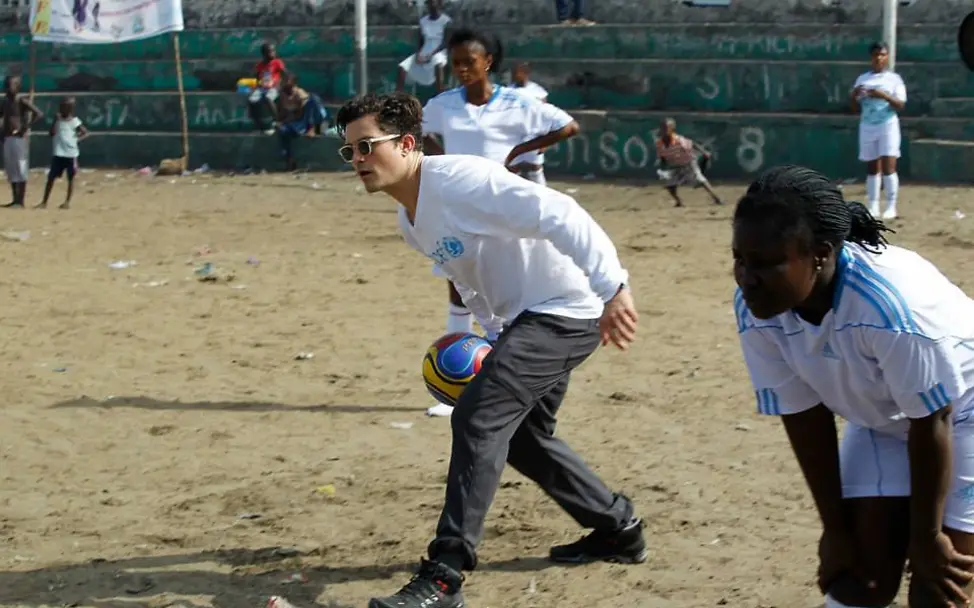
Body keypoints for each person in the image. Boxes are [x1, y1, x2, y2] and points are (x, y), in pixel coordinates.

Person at [335, 91, 646, 608]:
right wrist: (493, 338)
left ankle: (444, 575)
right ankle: (618, 528)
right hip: (525, 320)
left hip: (569, 307)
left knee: (477, 418)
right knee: (522, 437)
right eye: (350, 152)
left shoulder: (461, 181)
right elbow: (474, 280)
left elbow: (559, 211)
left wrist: (613, 287)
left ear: (408, 143)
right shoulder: (410, 221)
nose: (359, 161)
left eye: (367, 146)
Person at [732, 164, 974, 608]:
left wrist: (928, 536)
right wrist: (835, 529)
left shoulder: (889, 309)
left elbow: (933, 418)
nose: (747, 278)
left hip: (961, 414)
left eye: (766, 264)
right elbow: (804, 414)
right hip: (885, 416)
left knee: (938, 586)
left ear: (821, 253)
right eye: (740, 259)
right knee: (858, 580)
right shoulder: (759, 305)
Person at [422, 29, 581, 416]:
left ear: (487, 61)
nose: (461, 69)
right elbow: (421, 132)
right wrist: (444, 166)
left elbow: (568, 126)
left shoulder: (517, 102)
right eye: (455, 62)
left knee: (507, 293)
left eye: (468, 62)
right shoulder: (443, 105)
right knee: (459, 287)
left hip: (504, 212)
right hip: (458, 210)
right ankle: (460, 387)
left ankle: (510, 379)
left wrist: (518, 152)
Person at [851, 42, 905, 221]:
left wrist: (883, 95)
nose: (879, 58)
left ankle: (891, 205)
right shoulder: (862, 79)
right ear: (871, 57)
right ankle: (873, 204)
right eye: (876, 55)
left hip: (887, 124)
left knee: (889, 164)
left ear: (887, 57)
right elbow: (854, 107)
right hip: (867, 125)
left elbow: (900, 104)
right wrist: (854, 95)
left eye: (882, 55)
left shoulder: (894, 80)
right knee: (872, 166)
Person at [655, 118, 723, 207]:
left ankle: (717, 199)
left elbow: (692, 144)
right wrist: (663, 168)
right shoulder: (659, 143)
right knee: (670, 185)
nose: (664, 130)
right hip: (675, 165)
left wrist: (704, 152)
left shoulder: (678, 140)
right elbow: (662, 157)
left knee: (700, 180)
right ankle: (679, 202)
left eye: (666, 128)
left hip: (688, 163)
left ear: (672, 129)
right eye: (662, 127)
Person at [0, 75, 43, 209]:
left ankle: (21, 200)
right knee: (11, 169)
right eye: (6, 85)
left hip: (19, 138)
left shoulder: (21, 101)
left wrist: (25, 127)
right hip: (7, 137)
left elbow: (39, 113)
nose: (7, 88)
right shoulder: (4, 102)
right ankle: (14, 199)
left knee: (21, 168)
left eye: (11, 85)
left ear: (17, 87)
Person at [38, 96, 86, 209]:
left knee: (70, 179)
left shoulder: (75, 121)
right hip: (58, 153)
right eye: (61, 107)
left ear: (70, 109)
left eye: (65, 107)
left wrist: (76, 140)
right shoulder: (58, 120)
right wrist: (55, 121)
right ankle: (44, 201)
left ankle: (67, 202)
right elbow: (51, 133)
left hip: (71, 154)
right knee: (51, 178)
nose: (62, 109)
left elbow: (85, 132)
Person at [275, 72, 328, 171]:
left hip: (303, 121)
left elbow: (303, 113)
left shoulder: (299, 93)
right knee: (282, 131)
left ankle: (313, 128)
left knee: (313, 99)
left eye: (285, 81)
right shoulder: (281, 96)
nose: (282, 83)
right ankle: (289, 159)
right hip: (292, 122)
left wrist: (293, 117)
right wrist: (281, 121)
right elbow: (282, 113)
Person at [396, 0, 451, 93]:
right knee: (403, 66)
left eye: (434, 2)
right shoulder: (423, 21)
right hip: (424, 51)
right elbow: (420, 41)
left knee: (437, 62)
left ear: (439, 4)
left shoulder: (446, 20)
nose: (431, 5)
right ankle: (397, 94)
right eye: (429, 3)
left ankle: (441, 91)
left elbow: (445, 42)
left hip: (439, 52)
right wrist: (418, 54)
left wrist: (431, 55)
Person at [248, 43, 286, 135]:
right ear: (264, 53)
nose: (273, 53)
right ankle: (259, 125)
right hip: (262, 87)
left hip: (274, 87)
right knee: (251, 100)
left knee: (268, 98)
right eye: (270, 52)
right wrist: (256, 86)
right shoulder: (260, 65)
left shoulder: (277, 62)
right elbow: (257, 77)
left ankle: (277, 121)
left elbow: (285, 74)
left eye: (273, 51)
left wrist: (280, 85)